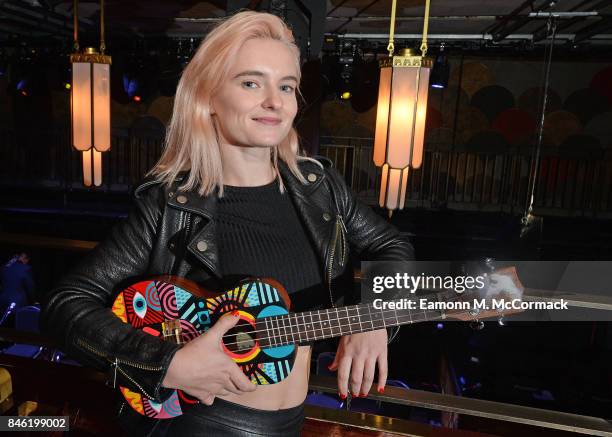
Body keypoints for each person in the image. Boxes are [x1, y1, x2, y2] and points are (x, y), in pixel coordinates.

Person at [42, 11, 413, 437]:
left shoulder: (319, 188)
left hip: (293, 422)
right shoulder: (170, 206)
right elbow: (65, 305)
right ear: (209, 98)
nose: (275, 101)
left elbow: (391, 245)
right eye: (251, 83)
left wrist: (373, 315)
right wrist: (168, 363)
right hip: (201, 424)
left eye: (286, 86)